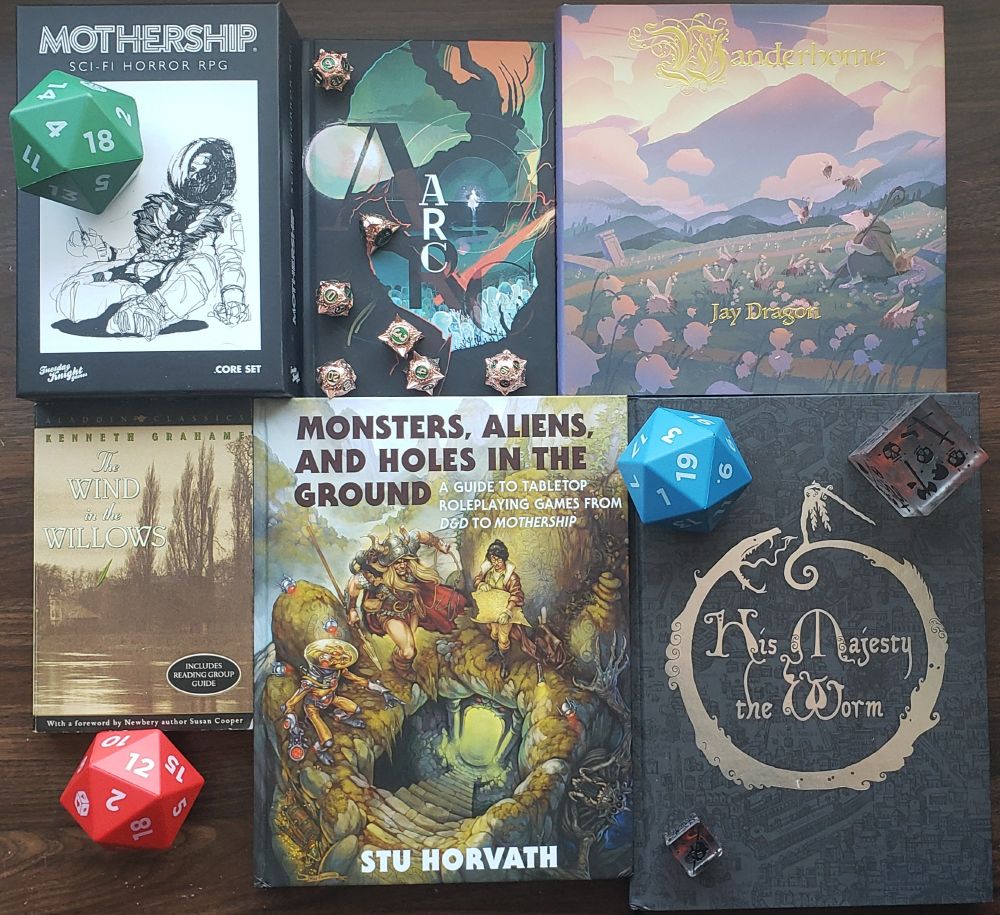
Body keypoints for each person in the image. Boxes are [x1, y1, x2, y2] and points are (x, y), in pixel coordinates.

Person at [53, 137, 248, 340]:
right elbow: (132, 252)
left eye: (204, 171)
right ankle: (124, 310)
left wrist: (233, 297)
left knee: (203, 265)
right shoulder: (158, 210)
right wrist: (101, 248)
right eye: (192, 169)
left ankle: (153, 311)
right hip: (133, 279)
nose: (195, 177)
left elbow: (230, 259)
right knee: (78, 286)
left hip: (173, 281)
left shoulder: (224, 217)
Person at [349, 529, 466, 678]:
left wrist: (439, 544)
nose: (402, 565)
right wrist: (352, 609)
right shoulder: (378, 578)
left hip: (412, 611)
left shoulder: (408, 554)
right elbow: (354, 583)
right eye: (397, 563)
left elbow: (418, 534)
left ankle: (400, 659)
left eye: (404, 560)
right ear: (389, 565)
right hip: (389, 614)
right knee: (409, 651)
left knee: (454, 604)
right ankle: (402, 669)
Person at [279, 638, 401, 764]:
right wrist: (290, 716)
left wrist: (383, 691)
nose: (334, 660)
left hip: (331, 699)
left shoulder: (338, 671)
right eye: (328, 659)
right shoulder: (310, 681)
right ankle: (319, 749)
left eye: (335, 658)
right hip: (313, 708)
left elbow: (358, 680)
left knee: (356, 709)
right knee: (328, 741)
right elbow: (291, 702)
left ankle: (340, 716)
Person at [472, 539, 528, 678]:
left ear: (504, 559)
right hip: (491, 610)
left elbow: (516, 595)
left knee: (503, 639)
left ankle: (504, 662)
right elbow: (477, 580)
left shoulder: (512, 577)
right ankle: (496, 651)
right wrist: (481, 584)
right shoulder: (488, 572)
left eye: (498, 560)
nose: (496, 563)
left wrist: (508, 611)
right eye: (493, 560)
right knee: (494, 633)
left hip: (505, 612)